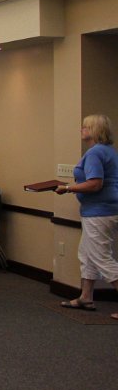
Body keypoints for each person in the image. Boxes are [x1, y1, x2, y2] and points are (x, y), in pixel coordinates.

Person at [55, 114, 118, 320]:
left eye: (85, 127)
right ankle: (86, 297)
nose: (81, 130)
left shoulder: (95, 153)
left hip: (100, 211)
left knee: (101, 257)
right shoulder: (108, 151)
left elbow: (95, 183)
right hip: (103, 210)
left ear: (94, 131)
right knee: (87, 254)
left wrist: (67, 188)